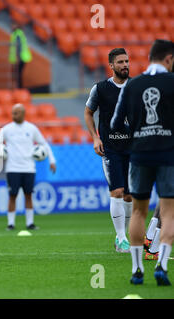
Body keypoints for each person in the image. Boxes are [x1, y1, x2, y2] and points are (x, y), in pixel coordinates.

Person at [111, 39, 174, 286]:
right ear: (168, 59)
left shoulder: (132, 85)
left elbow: (116, 123)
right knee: (169, 211)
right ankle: (162, 265)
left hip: (139, 154)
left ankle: (137, 270)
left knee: (138, 211)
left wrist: (138, 131)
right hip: (168, 153)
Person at [84, 48, 132, 253]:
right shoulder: (100, 88)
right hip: (110, 148)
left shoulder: (136, 87)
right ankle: (121, 239)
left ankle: (123, 235)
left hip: (133, 148)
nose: (125, 65)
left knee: (130, 196)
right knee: (117, 191)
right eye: (120, 62)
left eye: (127, 61)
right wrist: (95, 138)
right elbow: (88, 113)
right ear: (111, 66)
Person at [0, 103, 56, 231]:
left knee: (28, 195)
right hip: (12, 168)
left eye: (16, 113)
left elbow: (44, 144)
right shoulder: (7, 129)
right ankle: (10, 223)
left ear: (23, 113)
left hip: (29, 168)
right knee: (13, 195)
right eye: (12, 113)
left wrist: (52, 160)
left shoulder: (31, 128)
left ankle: (30, 223)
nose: (13, 115)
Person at [9, 22, 32, 89]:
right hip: (21, 57)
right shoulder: (18, 34)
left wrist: (18, 57)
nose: (12, 27)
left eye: (13, 25)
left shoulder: (18, 34)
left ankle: (20, 88)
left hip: (21, 57)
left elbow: (19, 46)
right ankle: (19, 88)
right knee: (18, 73)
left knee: (18, 74)